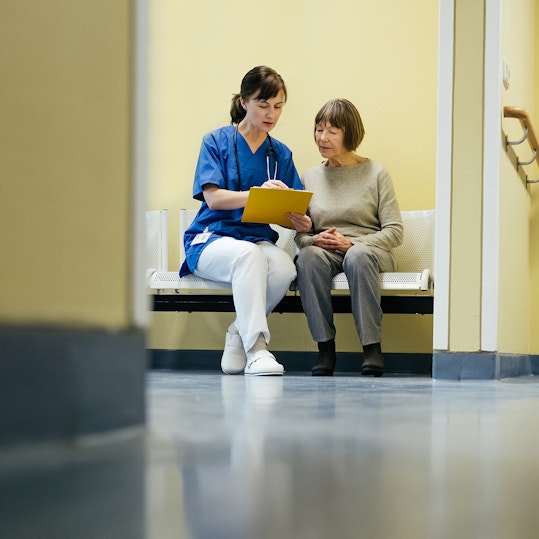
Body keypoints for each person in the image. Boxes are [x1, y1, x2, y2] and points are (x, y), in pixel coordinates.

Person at [180, 66, 303, 376]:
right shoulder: (216, 141)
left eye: (278, 106)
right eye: (263, 105)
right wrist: (257, 194)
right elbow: (214, 199)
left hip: (255, 239)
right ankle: (257, 348)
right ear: (245, 101)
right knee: (250, 256)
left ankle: (238, 331)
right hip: (210, 239)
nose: (271, 114)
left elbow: (293, 209)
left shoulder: (280, 154)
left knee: (285, 268)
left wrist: (298, 221)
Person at [287, 99, 403, 377]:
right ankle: (325, 347)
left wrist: (354, 244)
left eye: (331, 131)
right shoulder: (310, 177)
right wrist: (314, 241)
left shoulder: (376, 173)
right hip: (327, 252)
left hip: (369, 251)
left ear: (349, 133)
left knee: (357, 256)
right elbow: (301, 234)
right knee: (308, 258)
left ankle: (372, 347)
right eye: (318, 129)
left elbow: (395, 231)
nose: (322, 138)